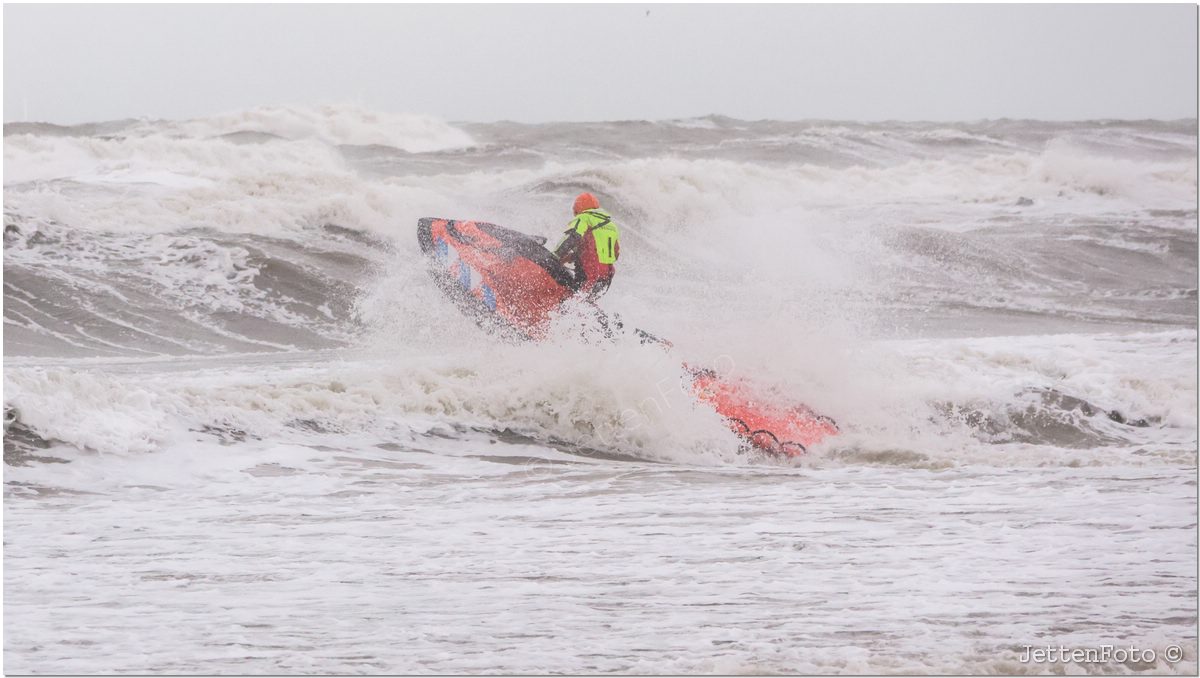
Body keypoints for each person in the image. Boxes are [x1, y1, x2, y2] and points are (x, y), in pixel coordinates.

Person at [552, 192, 620, 300]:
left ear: (577, 209)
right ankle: (605, 317)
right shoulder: (611, 225)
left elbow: (572, 237)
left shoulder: (584, 218)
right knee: (585, 305)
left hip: (589, 275)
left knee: (570, 303)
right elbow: (614, 254)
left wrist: (554, 256)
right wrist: (574, 256)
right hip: (606, 279)